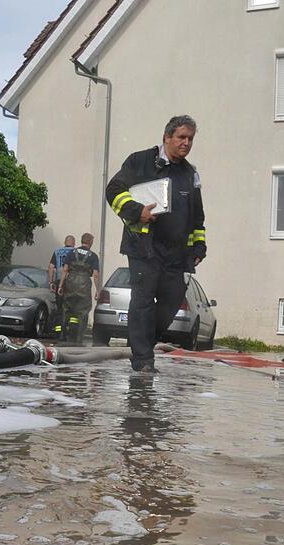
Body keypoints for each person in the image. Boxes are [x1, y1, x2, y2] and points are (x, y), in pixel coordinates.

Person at [105, 115, 207, 373]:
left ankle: (141, 343)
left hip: (176, 253)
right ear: (167, 137)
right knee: (143, 300)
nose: (186, 143)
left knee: (171, 303)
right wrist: (136, 211)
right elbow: (114, 190)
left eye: (190, 139)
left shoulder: (190, 174)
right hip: (143, 246)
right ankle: (142, 360)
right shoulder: (140, 161)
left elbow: (197, 216)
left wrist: (198, 246)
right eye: (181, 137)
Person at [57, 232, 100, 344]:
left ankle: (62, 335)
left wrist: (61, 285)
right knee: (83, 312)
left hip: (71, 282)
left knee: (66, 309)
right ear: (90, 242)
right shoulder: (93, 256)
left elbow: (65, 270)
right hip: (84, 284)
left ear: (82, 241)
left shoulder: (72, 252)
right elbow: (95, 275)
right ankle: (79, 339)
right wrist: (97, 290)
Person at [47, 234, 76, 338]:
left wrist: (51, 282)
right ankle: (69, 330)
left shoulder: (57, 251)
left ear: (65, 242)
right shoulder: (75, 252)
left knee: (59, 307)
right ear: (74, 243)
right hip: (71, 283)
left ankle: (58, 330)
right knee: (71, 307)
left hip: (59, 282)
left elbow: (51, 267)